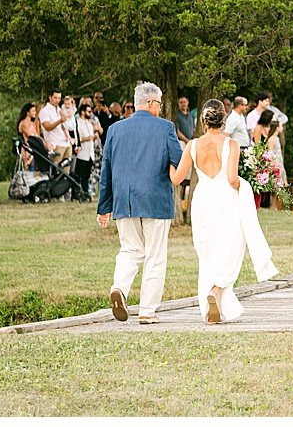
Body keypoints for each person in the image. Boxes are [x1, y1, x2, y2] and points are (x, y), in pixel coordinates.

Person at [167, 97, 276, 324]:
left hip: (202, 200)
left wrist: (168, 161)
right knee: (230, 246)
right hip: (225, 199)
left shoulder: (192, 145)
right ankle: (216, 290)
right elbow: (232, 179)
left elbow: (177, 179)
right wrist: (248, 185)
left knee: (207, 250)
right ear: (223, 120)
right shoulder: (231, 144)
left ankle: (212, 301)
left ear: (204, 121)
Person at [95, 82, 184, 323]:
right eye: (160, 102)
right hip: (156, 198)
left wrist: (104, 206)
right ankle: (147, 311)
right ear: (153, 103)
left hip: (125, 200)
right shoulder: (166, 128)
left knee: (130, 249)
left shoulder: (115, 129)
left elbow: (107, 170)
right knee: (155, 254)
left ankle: (120, 288)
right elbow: (179, 162)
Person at [73, 99, 100, 195]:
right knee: (78, 174)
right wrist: (89, 138)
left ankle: (85, 192)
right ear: (83, 112)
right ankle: (76, 193)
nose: (91, 113)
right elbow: (77, 138)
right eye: (89, 111)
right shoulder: (77, 122)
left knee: (86, 175)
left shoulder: (90, 123)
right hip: (82, 153)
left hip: (90, 153)